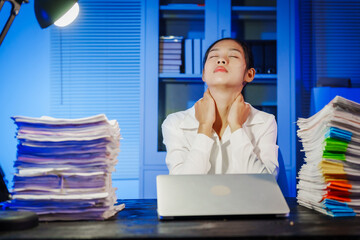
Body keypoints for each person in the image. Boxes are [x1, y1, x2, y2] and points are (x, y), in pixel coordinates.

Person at [161, 38, 279, 177]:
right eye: (213, 56)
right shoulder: (175, 123)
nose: (221, 60)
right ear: (204, 74)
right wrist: (204, 127)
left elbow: (265, 185)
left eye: (233, 56)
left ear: (249, 74)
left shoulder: (264, 122)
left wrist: (236, 127)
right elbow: (181, 186)